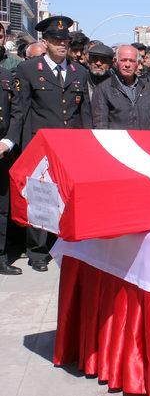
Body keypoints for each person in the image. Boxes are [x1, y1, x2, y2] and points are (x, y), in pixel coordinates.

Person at [0, 15, 91, 272]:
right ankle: (37, 252)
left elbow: (83, 112)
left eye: (65, 40)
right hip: (39, 145)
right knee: (42, 200)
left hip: (70, 146)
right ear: (46, 42)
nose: (61, 44)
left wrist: (86, 144)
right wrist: (14, 142)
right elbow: (21, 110)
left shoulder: (79, 72)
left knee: (67, 197)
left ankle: (65, 244)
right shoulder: (29, 70)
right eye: (55, 40)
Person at [92, 45, 150, 130]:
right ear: (115, 62)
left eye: (132, 61)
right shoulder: (103, 89)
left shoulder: (148, 88)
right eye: (123, 60)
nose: (127, 65)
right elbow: (100, 125)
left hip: (144, 141)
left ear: (138, 63)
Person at [0, 65, 18, 275]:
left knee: (2, 207)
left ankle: (1, 255)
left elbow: (17, 112)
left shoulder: (6, 75)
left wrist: (7, 141)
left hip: (2, 150)